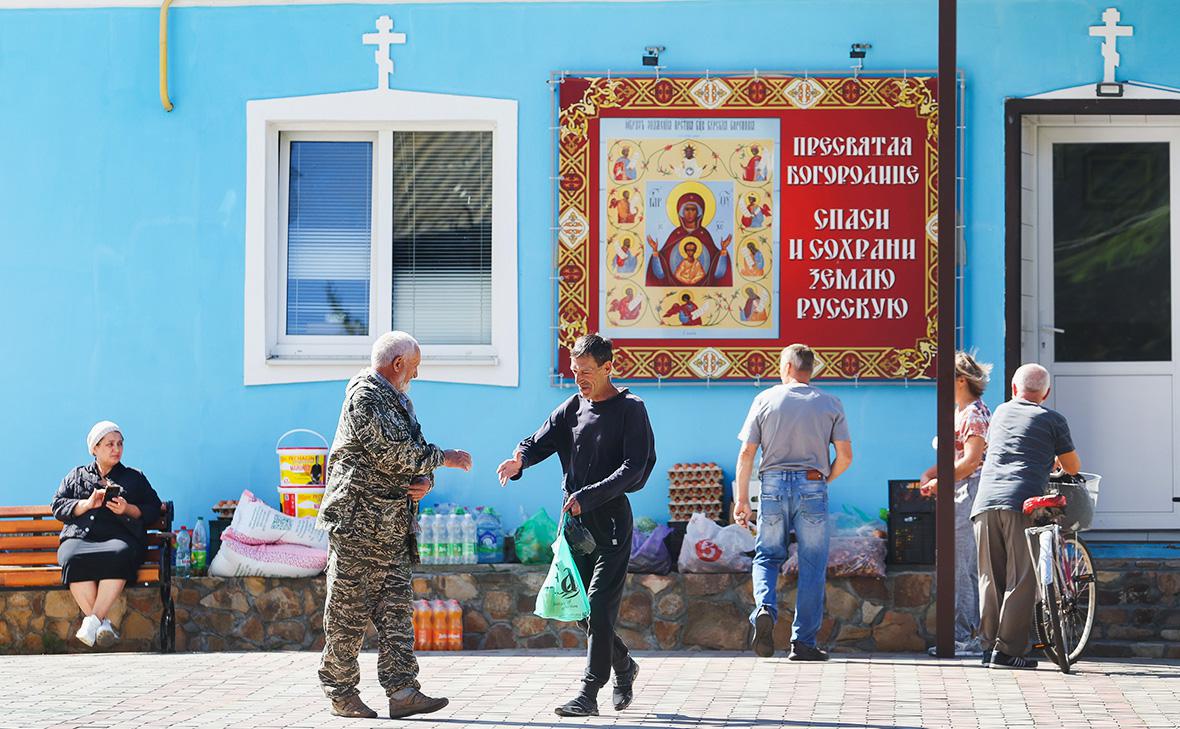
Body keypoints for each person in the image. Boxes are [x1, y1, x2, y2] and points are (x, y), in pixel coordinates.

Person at [497, 333, 656, 717]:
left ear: (608, 368)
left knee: (600, 603)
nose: (579, 379)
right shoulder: (572, 407)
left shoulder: (631, 409)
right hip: (575, 527)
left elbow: (636, 468)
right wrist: (520, 460)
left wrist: (590, 495)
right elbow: (536, 441)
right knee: (583, 608)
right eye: (574, 371)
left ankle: (588, 692)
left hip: (611, 522)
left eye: (586, 372)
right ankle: (623, 664)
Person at [316, 331, 473, 719]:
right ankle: (341, 694)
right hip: (358, 525)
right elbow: (394, 453)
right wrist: (444, 458)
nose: (415, 377)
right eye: (414, 368)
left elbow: (413, 455)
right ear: (398, 364)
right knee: (347, 615)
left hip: (393, 526)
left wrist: (426, 482)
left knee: (397, 614)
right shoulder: (365, 397)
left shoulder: (399, 400)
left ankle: (403, 692)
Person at [733, 344, 853, 661]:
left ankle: (765, 610)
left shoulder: (765, 399)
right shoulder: (830, 403)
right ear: (810, 370)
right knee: (813, 565)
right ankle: (803, 643)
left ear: (786, 367)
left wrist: (742, 498)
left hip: (772, 485)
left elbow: (746, 453)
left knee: (767, 555)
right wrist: (823, 480)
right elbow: (845, 457)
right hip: (812, 484)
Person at [971, 363, 1080, 670]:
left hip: (985, 503)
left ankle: (988, 648)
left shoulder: (1001, 413)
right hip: (1023, 503)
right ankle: (1007, 652)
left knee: (989, 579)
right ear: (1046, 393)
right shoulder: (1052, 419)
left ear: (1014, 389)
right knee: (1022, 578)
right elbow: (1072, 466)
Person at [52, 421, 163, 648]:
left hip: (119, 540)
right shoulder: (77, 475)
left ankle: (92, 622)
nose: (116, 449)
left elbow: (154, 507)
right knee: (71, 558)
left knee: (120, 553)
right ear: (95, 448)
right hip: (80, 538)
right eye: (110, 444)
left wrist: (128, 509)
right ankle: (102, 625)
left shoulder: (134, 477)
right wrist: (85, 504)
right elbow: (57, 506)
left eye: (120, 444)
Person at [920, 352, 992, 657]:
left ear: (960, 380)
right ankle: (964, 634)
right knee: (958, 564)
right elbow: (957, 460)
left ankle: (966, 637)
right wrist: (932, 474)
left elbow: (971, 461)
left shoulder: (974, 414)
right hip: (960, 490)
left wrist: (941, 481)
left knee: (963, 567)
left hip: (969, 491)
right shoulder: (962, 412)